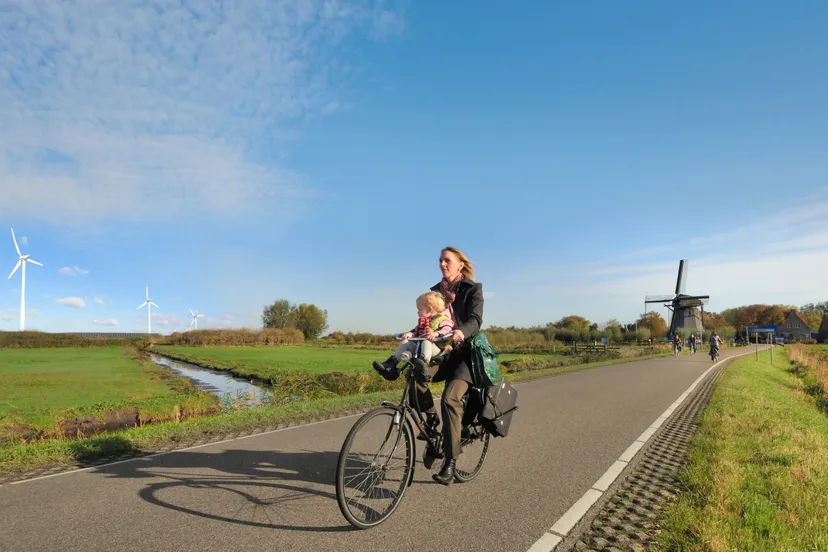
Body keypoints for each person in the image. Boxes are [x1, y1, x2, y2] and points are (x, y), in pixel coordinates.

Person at [413, 246, 484, 485]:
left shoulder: (472, 289)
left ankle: (450, 461)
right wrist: (413, 333)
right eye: (440, 261)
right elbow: (427, 319)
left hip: (465, 355)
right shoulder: (435, 291)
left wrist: (461, 332)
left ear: (460, 264)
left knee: (450, 399)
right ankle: (431, 420)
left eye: (447, 260)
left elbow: (475, 320)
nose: (442, 264)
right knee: (416, 375)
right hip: (443, 352)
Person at [372, 290, 454, 380]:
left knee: (426, 342)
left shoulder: (443, 319)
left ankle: (423, 365)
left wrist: (437, 333)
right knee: (405, 342)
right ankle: (390, 364)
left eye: (419, 310)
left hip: (436, 349)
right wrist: (411, 334)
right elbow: (417, 332)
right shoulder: (424, 321)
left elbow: (448, 329)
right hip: (420, 347)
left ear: (429, 309)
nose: (417, 312)